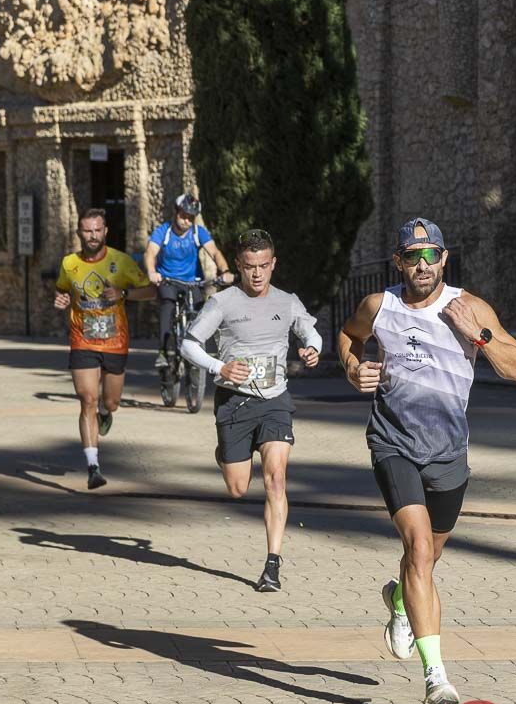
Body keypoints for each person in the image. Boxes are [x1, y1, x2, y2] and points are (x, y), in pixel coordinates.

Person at [337, 217, 516, 704]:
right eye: (411, 256)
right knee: (419, 550)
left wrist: (480, 336)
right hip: (392, 443)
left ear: (444, 258)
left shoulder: (468, 307)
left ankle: (401, 601)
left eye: (430, 255)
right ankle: (436, 676)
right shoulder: (379, 306)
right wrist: (354, 367)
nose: (421, 265)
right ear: (398, 261)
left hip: (448, 453)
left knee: (427, 558)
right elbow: (347, 336)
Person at [180, 229, 322, 592]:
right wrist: (219, 368)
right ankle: (226, 453)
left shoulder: (287, 301)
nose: (257, 274)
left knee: (276, 477)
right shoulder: (223, 303)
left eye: (263, 266)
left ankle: (272, 565)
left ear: (273, 264)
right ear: (239, 266)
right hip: (234, 402)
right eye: (249, 267)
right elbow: (189, 344)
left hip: (274, 400)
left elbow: (310, 331)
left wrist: (311, 349)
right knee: (238, 489)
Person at [53, 208, 156, 489]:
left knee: (109, 402)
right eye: (87, 231)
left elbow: (150, 291)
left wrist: (124, 294)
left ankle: (107, 414)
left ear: (105, 231)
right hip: (82, 340)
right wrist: (61, 299)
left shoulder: (120, 262)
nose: (93, 236)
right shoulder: (69, 263)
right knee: (87, 399)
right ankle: (93, 466)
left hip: (115, 342)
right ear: (79, 232)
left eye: (98, 230)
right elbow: (62, 289)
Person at [144, 193, 234, 369]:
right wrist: (152, 271)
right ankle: (163, 350)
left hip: (192, 282)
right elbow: (150, 253)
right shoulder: (164, 231)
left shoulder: (198, 233)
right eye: (183, 215)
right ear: (175, 212)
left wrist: (225, 271)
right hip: (168, 280)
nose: (186, 220)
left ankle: (196, 351)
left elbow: (215, 252)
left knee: (200, 312)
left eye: (190, 218)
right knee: (167, 305)